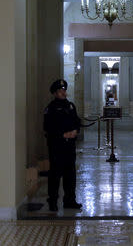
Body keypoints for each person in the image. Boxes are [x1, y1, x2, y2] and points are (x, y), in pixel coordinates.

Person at [43, 79, 82, 211]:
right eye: (60, 91)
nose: (63, 93)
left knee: (70, 174)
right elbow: (48, 127)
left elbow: (77, 121)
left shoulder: (70, 106)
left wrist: (75, 131)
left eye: (64, 90)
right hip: (57, 146)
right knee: (55, 174)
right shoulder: (51, 108)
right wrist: (63, 135)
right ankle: (53, 201)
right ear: (55, 93)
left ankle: (70, 200)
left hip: (69, 146)